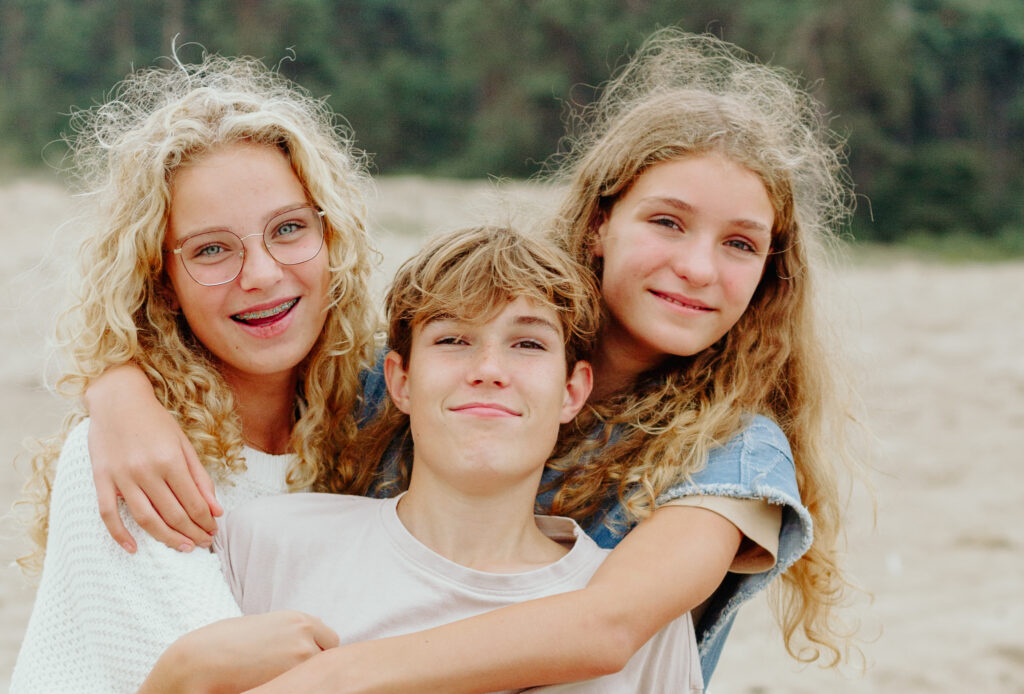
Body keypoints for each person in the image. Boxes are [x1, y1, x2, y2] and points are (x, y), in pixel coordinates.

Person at [76, 30, 863, 690]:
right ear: (600, 222)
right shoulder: (455, 369)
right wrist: (118, 393)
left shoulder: (736, 450)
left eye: (739, 245)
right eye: (667, 221)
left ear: (770, 272)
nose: (697, 267)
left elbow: (606, 626)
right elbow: (257, 355)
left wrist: (333, 678)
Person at [140, 224, 705, 694]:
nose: (488, 368)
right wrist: (171, 680)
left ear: (572, 391)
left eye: (528, 344)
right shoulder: (268, 544)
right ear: (400, 380)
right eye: (453, 340)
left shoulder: (643, 623)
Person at [10, 53, 379, 692]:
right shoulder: (134, 465)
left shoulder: (373, 426)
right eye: (212, 249)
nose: (262, 274)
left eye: (289, 229)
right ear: (164, 281)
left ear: (333, 237)